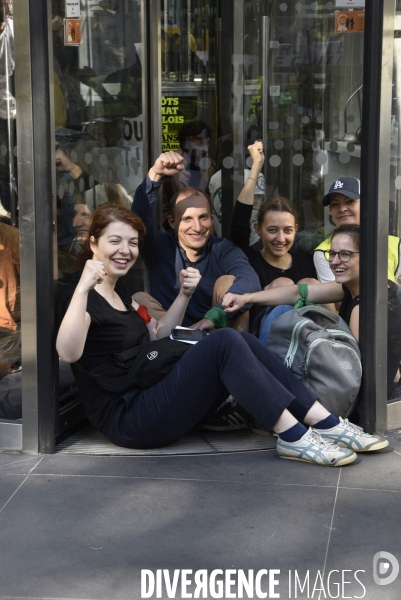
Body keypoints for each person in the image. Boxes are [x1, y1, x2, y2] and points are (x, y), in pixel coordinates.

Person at [56, 204, 387, 462]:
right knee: (225, 339)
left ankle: (326, 422)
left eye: (131, 242)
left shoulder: (121, 291)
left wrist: (184, 295)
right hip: (128, 418)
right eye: (115, 241)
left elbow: (157, 337)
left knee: (240, 338)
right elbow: (68, 353)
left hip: (148, 393)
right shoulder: (83, 297)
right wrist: (84, 287)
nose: (125, 250)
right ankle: (293, 435)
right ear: (94, 242)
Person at [223, 224, 401, 399]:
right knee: (283, 310)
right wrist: (246, 298)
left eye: (345, 254)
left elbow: (357, 376)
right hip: (353, 389)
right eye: (332, 254)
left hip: (359, 405)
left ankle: (262, 395)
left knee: (265, 338)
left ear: (367, 257)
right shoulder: (359, 287)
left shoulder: (364, 306)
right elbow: (298, 292)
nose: (335, 261)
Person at [131, 151, 261, 332]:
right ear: (172, 222)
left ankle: (235, 353)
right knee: (139, 299)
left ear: (213, 217)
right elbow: (138, 220)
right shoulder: (158, 247)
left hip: (215, 335)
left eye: (203, 217)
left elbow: (250, 280)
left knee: (229, 283)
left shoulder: (223, 249)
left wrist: (215, 316)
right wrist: (155, 175)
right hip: (170, 335)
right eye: (187, 219)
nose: (197, 227)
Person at [230, 141, 321, 334]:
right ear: (257, 229)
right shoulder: (248, 260)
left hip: (308, 339)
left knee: (311, 285)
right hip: (266, 341)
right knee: (284, 285)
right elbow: (239, 222)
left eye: (287, 230)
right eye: (272, 230)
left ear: (296, 229)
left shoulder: (306, 262)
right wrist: (256, 166)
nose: (280, 238)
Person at [313, 176, 401, 284]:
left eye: (350, 201)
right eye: (335, 204)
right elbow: (336, 298)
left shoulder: (395, 245)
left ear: (367, 205)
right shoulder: (323, 252)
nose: (342, 209)